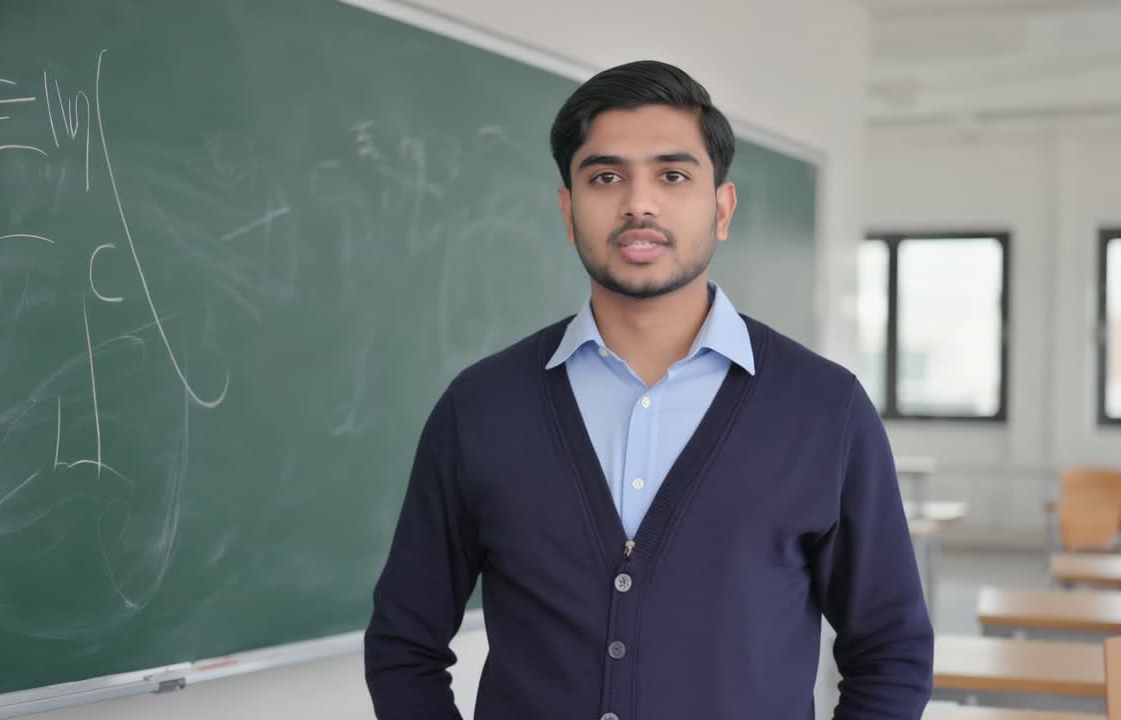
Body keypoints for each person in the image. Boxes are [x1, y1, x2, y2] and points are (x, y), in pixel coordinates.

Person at [364, 59, 933, 720]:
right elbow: (404, 644)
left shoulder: (825, 410)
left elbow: (891, 651)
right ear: (568, 209)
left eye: (672, 175)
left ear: (721, 207)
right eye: (606, 177)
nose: (639, 202)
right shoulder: (481, 408)